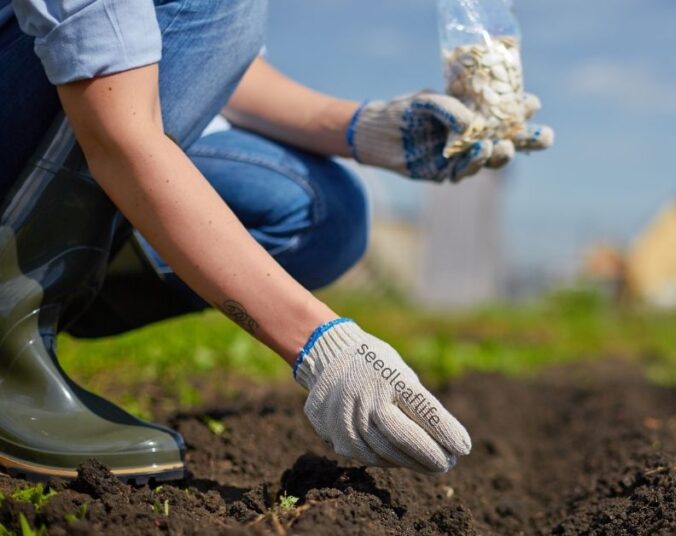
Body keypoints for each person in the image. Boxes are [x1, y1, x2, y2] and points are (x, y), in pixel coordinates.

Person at [0, 0, 553, 481]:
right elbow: (116, 132)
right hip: (94, 117)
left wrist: (370, 131)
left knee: (325, 214)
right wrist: (322, 346)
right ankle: (10, 341)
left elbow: (208, 56)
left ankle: (58, 290)